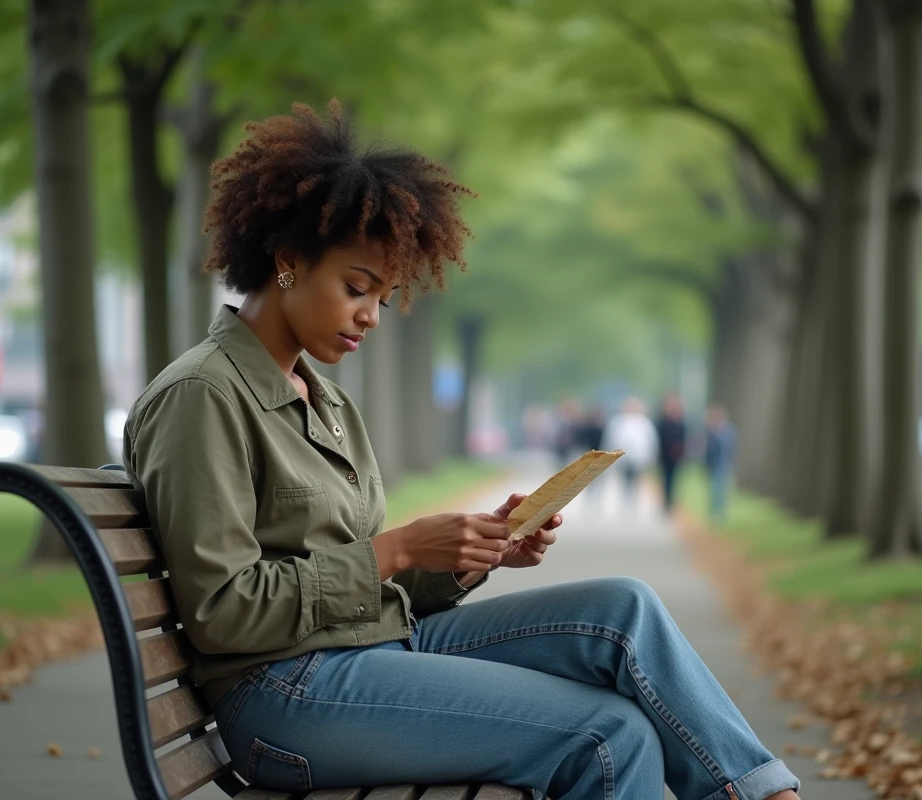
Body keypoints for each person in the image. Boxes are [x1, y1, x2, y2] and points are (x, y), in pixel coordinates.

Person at [122, 102, 801, 800]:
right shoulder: (203, 396)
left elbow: (360, 587)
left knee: (621, 613)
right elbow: (223, 610)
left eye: (383, 297)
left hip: (370, 650)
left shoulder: (324, 401)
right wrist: (398, 549)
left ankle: (761, 793)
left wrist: (476, 555)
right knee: (608, 733)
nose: (371, 317)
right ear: (288, 263)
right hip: (283, 695)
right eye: (357, 288)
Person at [601, 397, 658, 506]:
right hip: (622, 457)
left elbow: (650, 441)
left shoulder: (644, 422)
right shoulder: (618, 421)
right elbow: (611, 439)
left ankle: (633, 501)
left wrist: (649, 457)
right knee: (623, 480)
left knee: (636, 481)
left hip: (638, 457)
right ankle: (625, 500)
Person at [705, 404, 739, 523]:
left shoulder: (730, 431)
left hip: (726, 465)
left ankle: (721, 513)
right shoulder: (711, 431)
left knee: (723, 491)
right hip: (715, 466)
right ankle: (714, 513)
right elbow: (708, 450)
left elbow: (733, 449)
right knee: (715, 491)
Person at [656, 392, 688, 514]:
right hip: (665, 456)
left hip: (676, 456)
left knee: (674, 479)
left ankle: (671, 501)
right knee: (666, 478)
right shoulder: (663, 421)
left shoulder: (681, 422)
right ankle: (666, 500)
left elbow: (683, 438)